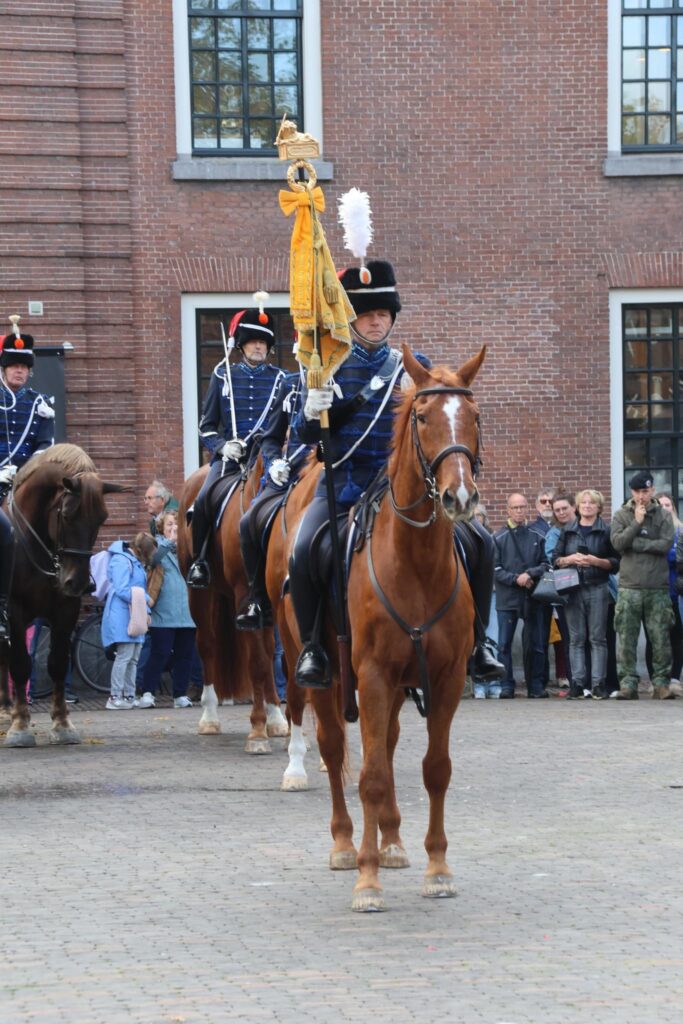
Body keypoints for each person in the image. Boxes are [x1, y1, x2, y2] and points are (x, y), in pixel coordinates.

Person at [289, 259, 504, 689]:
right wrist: (312, 410)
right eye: (367, 314)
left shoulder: (413, 366)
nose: (376, 322)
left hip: (401, 488)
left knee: (481, 542)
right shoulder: (326, 364)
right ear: (351, 319)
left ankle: (480, 641)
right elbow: (303, 433)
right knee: (304, 549)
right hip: (344, 482)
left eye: (383, 314)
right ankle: (313, 646)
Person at [187, 305, 284, 588]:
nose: (259, 346)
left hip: (269, 457)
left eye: (263, 342)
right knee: (204, 498)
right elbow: (206, 426)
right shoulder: (222, 376)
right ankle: (199, 561)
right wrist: (222, 447)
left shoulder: (281, 379)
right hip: (232, 460)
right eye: (253, 341)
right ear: (241, 345)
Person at [236, 366, 310, 630]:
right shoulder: (291, 384)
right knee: (248, 522)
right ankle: (259, 600)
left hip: (330, 467)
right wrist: (274, 463)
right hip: (291, 472)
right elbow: (271, 438)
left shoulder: (344, 378)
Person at [0, 319, 55, 641]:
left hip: (25, 480)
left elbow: (45, 445)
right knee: (4, 530)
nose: (19, 371)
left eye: (24, 367)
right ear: (4, 369)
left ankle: (70, 580)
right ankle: (2, 605)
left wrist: (26, 472)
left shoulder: (39, 403)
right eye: (14, 366)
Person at [610, 470, 675, 700]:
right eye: (637, 491)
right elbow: (618, 543)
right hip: (629, 587)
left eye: (645, 491)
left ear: (652, 490)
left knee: (660, 639)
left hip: (657, 587)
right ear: (632, 491)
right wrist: (637, 523)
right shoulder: (622, 515)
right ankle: (628, 684)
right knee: (626, 638)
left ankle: (661, 684)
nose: (641, 496)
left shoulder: (664, 516)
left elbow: (665, 545)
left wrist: (636, 544)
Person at [553, 489, 619, 700]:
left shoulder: (606, 530)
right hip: (573, 589)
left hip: (598, 587)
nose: (587, 506)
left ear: (599, 507)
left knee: (597, 638)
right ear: (578, 507)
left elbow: (615, 563)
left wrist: (595, 561)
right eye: (584, 503)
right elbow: (555, 559)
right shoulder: (568, 530)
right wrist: (569, 559)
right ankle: (578, 684)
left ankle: (598, 684)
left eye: (592, 503)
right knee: (576, 639)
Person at [493, 492, 549, 698]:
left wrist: (530, 574)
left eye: (522, 507)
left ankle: (535, 686)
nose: (519, 511)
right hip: (507, 599)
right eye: (515, 507)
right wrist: (516, 579)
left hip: (533, 598)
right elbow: (495, 569)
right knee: (504, 645)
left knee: (535, 644)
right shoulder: (497, 538)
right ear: (508, 510)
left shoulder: (537, 536)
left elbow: (546, 564)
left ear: (528, 509)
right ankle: (507, 686)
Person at [138, 512, 197, 709]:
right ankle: (147, 693)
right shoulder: (157, 547)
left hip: (187, 614)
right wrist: (169, 542)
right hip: (163, 614)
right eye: (170, 524)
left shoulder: (188, 549)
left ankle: (180, 694)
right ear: (162, 529)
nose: (174, 528)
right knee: (159, 654)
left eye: (177, 524)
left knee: (185, 656)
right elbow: (152, 562)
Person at [102, 533, 155, 710]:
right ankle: (115, 696)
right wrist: (146, 599)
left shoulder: (134, 562)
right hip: (122, 614)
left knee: (133, 658)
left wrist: (146, 611)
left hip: (135, 613)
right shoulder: (121, 560)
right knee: (124, 656)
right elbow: (122, 589)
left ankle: (129, 696)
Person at [645, 492, 683, 688]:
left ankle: (675, 678)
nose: (665, 508)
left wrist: (663, 551)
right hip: (653, 591)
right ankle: (655, 680)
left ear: (673, 508)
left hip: (676, 592)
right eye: (660, 505)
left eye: (668, 504)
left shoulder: (680, 531)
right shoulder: (649, 530)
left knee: (677, 636)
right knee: (654, 638)